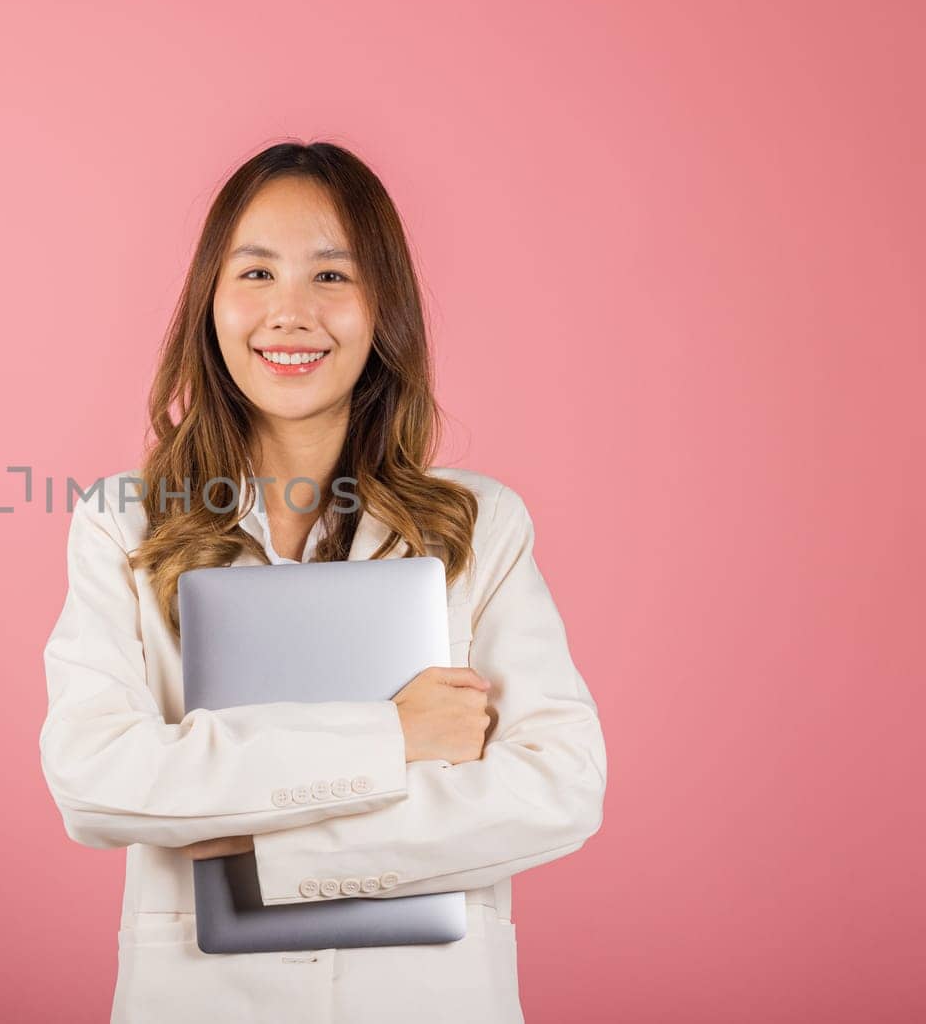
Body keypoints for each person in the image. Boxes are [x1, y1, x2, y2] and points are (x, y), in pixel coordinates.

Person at [38, 140, 607, 1023]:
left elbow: (559, 788)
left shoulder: (480, 525)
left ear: (384, 308)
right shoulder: (126, 524)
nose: (291, 313)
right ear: (210, 303)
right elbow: (95, 776)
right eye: (256, 273)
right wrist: (393, 740)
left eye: (332, 277)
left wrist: (255, 844)